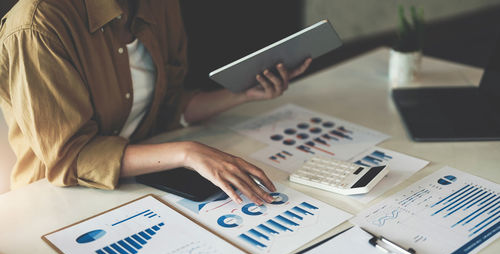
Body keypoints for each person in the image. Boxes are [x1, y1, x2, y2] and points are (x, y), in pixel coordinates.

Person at [0, 0, 311, 205]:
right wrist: (188, 152)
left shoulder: (159, 4)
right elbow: (69, 158)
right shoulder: (37, 24)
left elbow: (168, 104)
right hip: (57, 200)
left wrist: (242, 94)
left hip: (142, 182)